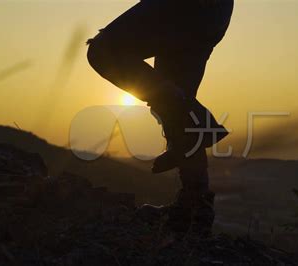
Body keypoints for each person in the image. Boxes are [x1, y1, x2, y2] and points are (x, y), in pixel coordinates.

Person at [87, 0, 234, 236]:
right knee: (172, 95)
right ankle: (194, 207)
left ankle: (199, 120)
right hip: (215, 12)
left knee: (104, 51)